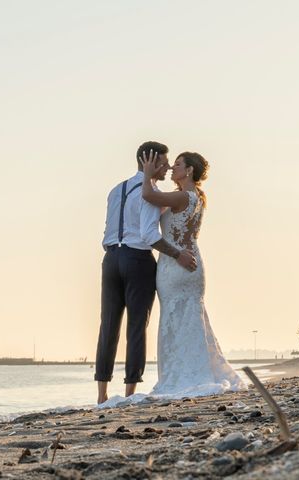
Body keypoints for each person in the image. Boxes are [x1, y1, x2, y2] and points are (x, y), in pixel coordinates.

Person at [94, 141, 197, 404]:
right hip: (137, 260)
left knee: (108, 326)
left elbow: (109, 227)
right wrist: (177, 254)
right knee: (137, 327)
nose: (166, 167)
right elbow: (149, 235)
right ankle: (129, 393)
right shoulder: (149, 192)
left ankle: (102, 396)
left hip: (110, 259)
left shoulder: (116, 190)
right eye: (163, 162)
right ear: (149, 161)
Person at [140, 150, 244, 396]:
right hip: (191, 263)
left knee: (175, 319)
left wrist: (147, 174)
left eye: (177, 165)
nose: (173, 168)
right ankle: (193, 370)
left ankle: (180, 375)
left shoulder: (181, 196)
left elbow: (147, 194)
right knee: (189, 319)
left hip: (175, 266)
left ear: (188, 171)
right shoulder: (196, 197)